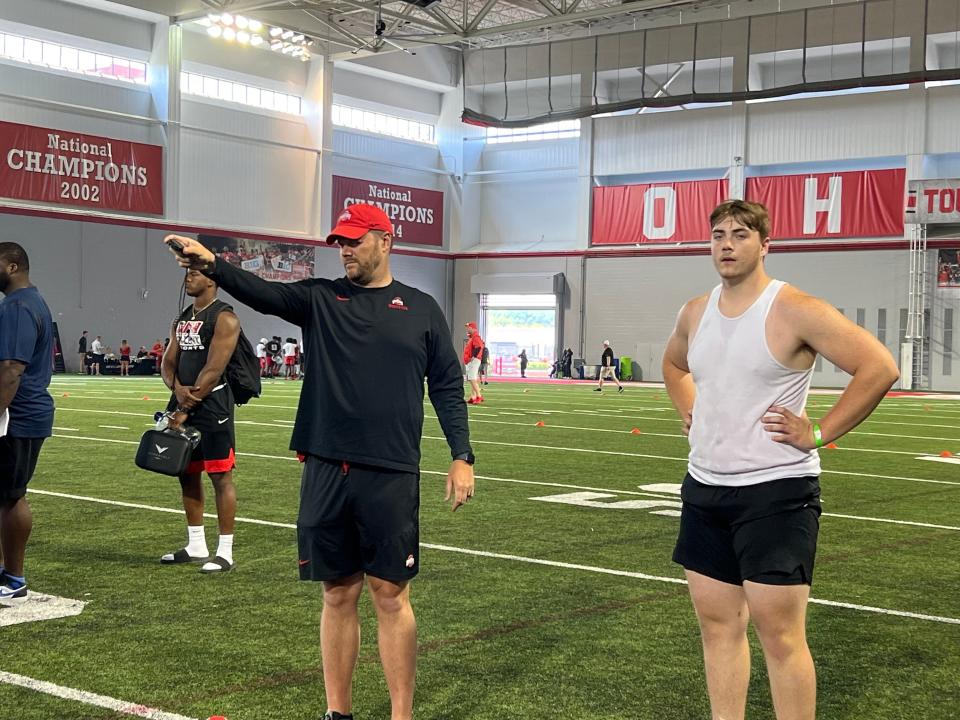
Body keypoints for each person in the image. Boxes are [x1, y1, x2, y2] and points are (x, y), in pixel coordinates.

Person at [163, 202, 474, 720]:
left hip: (391, 470)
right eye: (340, 242)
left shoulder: (420, 308)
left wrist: (461, 455)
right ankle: (339, 712)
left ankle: (402, 715)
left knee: (390, 594)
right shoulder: (320, 299)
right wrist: (212, 263)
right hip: (327, 467)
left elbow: (445, 385)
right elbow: (262, 291)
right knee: (336, 593)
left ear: (385, 240)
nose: (345, 249)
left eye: (354, 240)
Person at [662, 200, 899, 720]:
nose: (726, 243)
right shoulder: (695, 312)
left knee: (781, 636)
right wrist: (691, 410)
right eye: (718, 234)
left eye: (741, 234)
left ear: (765, 245)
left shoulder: (794, 308)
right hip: (705, 489)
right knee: (718, 628)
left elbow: (878, 367)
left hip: (775, 492)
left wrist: (819, 430)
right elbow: (674, 364)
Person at [159, 269, 241, 574]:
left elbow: (214, 369)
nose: (187, 278)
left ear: (211, 280)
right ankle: (196, 544)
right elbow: (168, 362)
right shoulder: (181, 319)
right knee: (186, 473)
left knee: (220, 477)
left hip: (213, 404)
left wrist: (186, 405)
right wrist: (176, 388)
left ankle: (225, 552)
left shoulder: (225, 318)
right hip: (182, 401)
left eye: (195, 274)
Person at [0, 242, 55, 601]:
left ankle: (14, 579)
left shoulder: (19, 306)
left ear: (12, 266)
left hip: (17, 415)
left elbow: (10, 370)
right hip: (23, 413)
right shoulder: (28, 302)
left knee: (11, 495)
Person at [463, 321, 484, 404]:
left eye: (468, 327)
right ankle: (473, 396)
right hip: (471, 360)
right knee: (472, 378)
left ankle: (479, 396)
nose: (467, 329)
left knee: (471, 378)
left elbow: (479, 346)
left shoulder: (476, 336)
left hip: (474, 360)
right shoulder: (473, 337)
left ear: (472, 328)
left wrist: (473, 357)